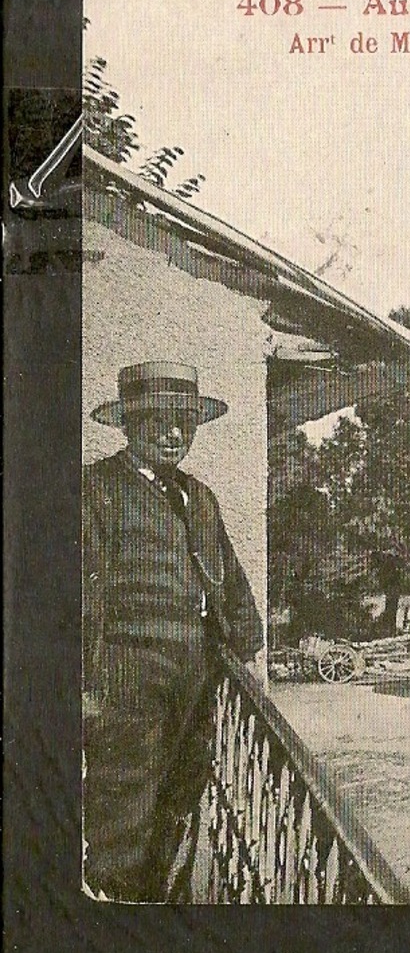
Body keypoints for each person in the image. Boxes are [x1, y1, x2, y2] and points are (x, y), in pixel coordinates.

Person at [81, 361, 265, 902]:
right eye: (158, 421)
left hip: (195, 679)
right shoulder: (97, 489)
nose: (172, 434)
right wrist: (84, 688)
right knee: (124, 809)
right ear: (129, 427)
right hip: (126, 683)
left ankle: (165, 910)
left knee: (180, 799)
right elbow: (81, 596)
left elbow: (228, 576)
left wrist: (246, 643)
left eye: (183, 422)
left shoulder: (199, 497)